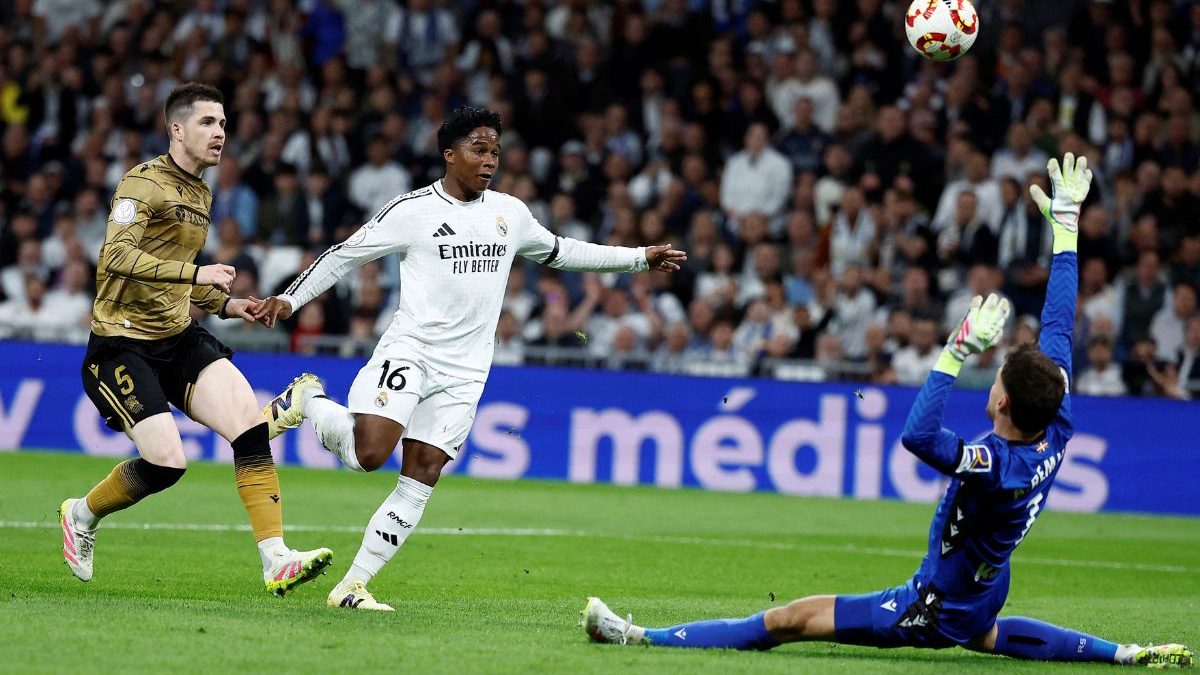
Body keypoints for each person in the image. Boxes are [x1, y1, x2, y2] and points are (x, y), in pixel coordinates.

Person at [580, 155, 1192, 669]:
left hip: (930, 603)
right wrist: (1066, 226)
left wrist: (955, 352)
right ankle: (1122, 654)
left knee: (787, 620)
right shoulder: (1054, 421)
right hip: (982, 589)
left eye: (995, 373)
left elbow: (917, 435)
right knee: (986, 633)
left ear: (1001, 400)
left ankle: (640, 638)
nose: (993, 374)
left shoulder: (994, 462)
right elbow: (1059, 324)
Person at [252, 106, 687, 611]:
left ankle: (352, 586)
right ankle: (309, 398)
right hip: (412, 350)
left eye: (496, 152)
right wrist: (289, 300)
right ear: (449, 153)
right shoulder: (412, 211)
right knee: (369, 454)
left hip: (466, 370)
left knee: (423, 472)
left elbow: (561, 251)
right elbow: (344, 254)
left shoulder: (509, 213)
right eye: (479, 150)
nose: (489, 161)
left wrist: (638, 258)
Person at [58, 83, 332, 595]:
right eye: (208, 122)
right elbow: (114, 259)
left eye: (224, 123)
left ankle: (275, 559)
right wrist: (197, 275)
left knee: (248, 430)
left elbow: (181, 281)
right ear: (176, 130)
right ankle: (81, 514)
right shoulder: (141, 185)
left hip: (179, 336)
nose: (221, 133)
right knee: (167, 463)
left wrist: (230, 305)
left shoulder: (202, 192)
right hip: (121, 343)